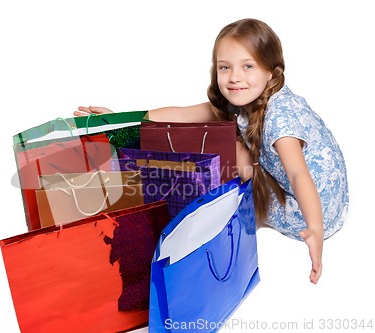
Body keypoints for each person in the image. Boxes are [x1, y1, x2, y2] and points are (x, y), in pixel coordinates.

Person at [73, 18, 349, 285]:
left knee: (229, 148)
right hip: (316, 197)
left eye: (248, 66)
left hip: (309, 209)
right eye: (224, 67)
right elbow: (184, 115)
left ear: (271, 72)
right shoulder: (247, 97)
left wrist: (314, 228)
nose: (234, 78)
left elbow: (299, 173)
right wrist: (124, 119)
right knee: (210, 130)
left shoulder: (280, 118)